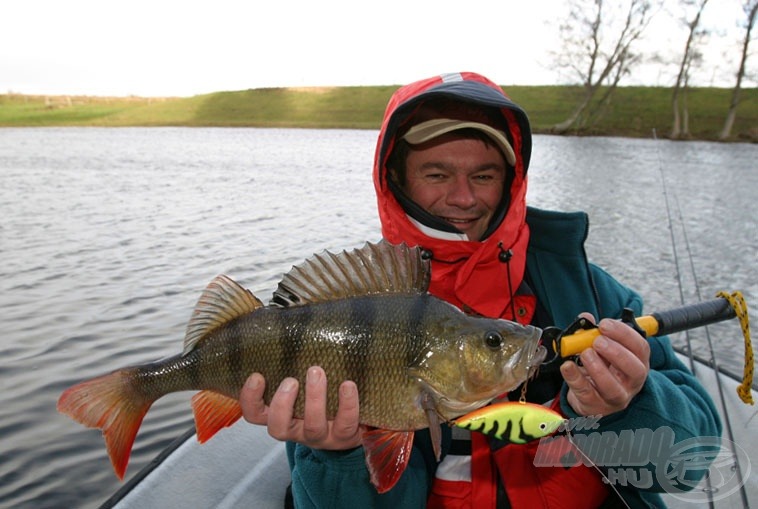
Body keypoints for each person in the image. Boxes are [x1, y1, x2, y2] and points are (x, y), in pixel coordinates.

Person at [239, 72, 722, 508]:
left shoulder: (591, 294)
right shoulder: (353, 314)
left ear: (511, 182)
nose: (464, 197)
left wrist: (630, 404)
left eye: (484, 176)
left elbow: (689, 464)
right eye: (437, 174)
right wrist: (337, 455)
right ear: (396, 181)